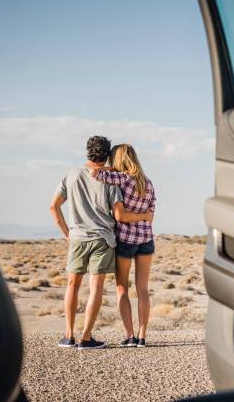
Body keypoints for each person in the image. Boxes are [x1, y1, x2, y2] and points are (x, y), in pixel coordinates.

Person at [49, 136, 153, 350]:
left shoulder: (71, 175)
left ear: (87, 151)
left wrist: (67, 233)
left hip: (78, 237)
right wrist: (143, 216)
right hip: (104, 239)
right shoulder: (113, 179)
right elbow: (119, 213)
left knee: (73, 285)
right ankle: (86, 338)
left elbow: (54, 207)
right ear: (106, 155)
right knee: (97, 288)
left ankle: (69, 336)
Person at [91, 144, 156, 348]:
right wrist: (143, 217)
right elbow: (151, 215)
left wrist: (113, 169)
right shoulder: (148, 183)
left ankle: (130, 336)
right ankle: (142, 336)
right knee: (143, 289)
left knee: (122, 289)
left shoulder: (122, 178)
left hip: (125, 240)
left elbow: (94, 172)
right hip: (146, 239)